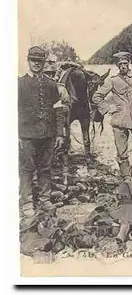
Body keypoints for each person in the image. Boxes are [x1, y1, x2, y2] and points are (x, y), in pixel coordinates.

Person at [18, 46, 66, 224]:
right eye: (33, 61)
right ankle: (27, 203)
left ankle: (45, 200)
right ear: (28, 61)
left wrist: (60, 134)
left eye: (40, 61)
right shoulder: (19, 83)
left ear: (44, 63)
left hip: (48, 134)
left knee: (45, 168)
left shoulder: (51, 84)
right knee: (26, 169)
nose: (36, 64)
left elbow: (58, 110)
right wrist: (16, 135)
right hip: (27, 135)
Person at [92, 52, 132, 182]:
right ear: (117, 66)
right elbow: (96, 97)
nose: (123, 66)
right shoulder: (112, 80)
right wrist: (108, 108)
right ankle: (126, 177)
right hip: (120, 120)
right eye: (120, 64)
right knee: (121, 151)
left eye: (125, 63)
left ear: (129, 63)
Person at [42, 56, 72, 184]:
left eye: (52, 73)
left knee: (63, 148)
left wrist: (59, 111)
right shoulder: (39, 87)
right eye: (47, 73)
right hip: (44, 125)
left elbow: (67, 104)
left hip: (59, 123)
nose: (50, 76)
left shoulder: (61, 88)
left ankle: (64, 174)